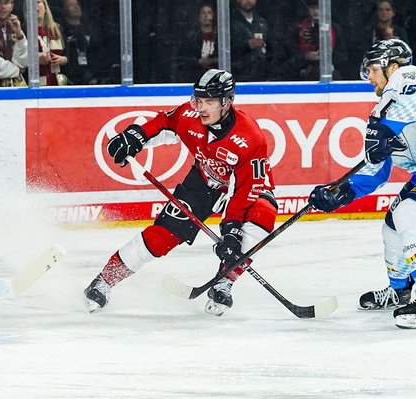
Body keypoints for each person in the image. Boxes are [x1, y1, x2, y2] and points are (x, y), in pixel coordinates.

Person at [308, 39, 416, 329]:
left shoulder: (410, 76)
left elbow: (406, 103)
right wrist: (341, 193)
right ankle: (401, 289)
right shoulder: (381, 113)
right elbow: (375, 172)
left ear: (392, 65)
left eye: (373, 70)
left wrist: (384, 130)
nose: (369, 78)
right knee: (392, 226)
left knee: (409, 213)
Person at [84, 69, 277, 316]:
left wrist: (231, 231)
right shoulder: (189, 114)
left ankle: (225, 281)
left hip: (246, 188)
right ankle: (103, 281)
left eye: (210, 102)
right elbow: (164, 123)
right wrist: (135, 137)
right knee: (161, 237)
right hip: (203, 182)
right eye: (199, 100)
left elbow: (244, 191)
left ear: (227, 102)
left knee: (262, 215)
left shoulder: (250, 138)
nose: (202, 107)